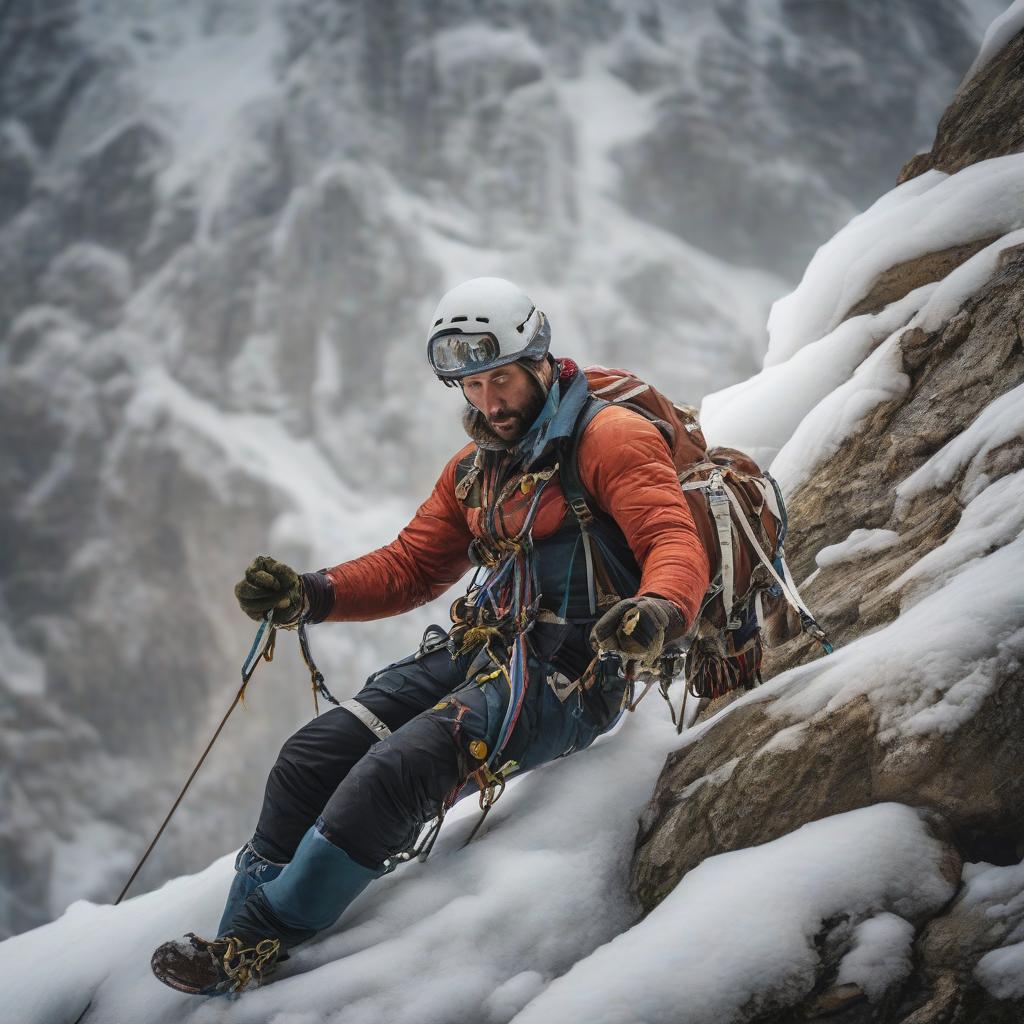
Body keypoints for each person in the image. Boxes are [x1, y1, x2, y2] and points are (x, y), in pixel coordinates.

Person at [151, 276, 711, 995]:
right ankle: (236, 933)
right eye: (470, 386)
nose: (487, 403)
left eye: (499, 379)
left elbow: (669, 536)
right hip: (487, 651)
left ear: (540, 360)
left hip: (572, 675)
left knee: (393, 775)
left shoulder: (611, 438)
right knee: (308, 757)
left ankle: (254, 945)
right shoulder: (479, 470)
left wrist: (661, 608)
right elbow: (415, 565)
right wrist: (311, 594)